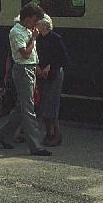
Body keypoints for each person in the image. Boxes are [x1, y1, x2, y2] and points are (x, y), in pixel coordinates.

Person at [0, 2, 51, 156]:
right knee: (28, 109)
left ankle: (3, 135)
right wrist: (33, 39)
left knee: (22, 107)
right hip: (23, 69)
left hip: (29, 69)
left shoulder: (26, 29)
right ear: (28, 18)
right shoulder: (17, 32)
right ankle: (35, 146)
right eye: (34, 20)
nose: (36, 24)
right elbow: (25, 53)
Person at [36, 15, 69, 146]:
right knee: (44, 104)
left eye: (38, 24)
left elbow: (64, 58)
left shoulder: (55, 39)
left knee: (51, 104)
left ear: (44, 26)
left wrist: (50, 66)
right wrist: (38, 68)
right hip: (41, 75)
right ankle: (49, 133)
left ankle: (56, 134)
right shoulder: (37, 38)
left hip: (54, 75)